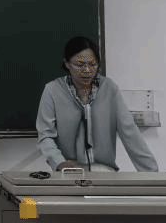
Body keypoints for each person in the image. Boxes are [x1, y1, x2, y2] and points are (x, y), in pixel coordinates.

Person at [36, 35, 158, 172]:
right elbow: (45, 136)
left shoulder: (109, 88)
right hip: (68, 172)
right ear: (67, 63)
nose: (87, 70)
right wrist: (59, 162)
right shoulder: (52, 90)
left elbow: (130, 133)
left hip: (104, 172)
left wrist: (151, 174)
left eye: (93, 64)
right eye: (80, 65)